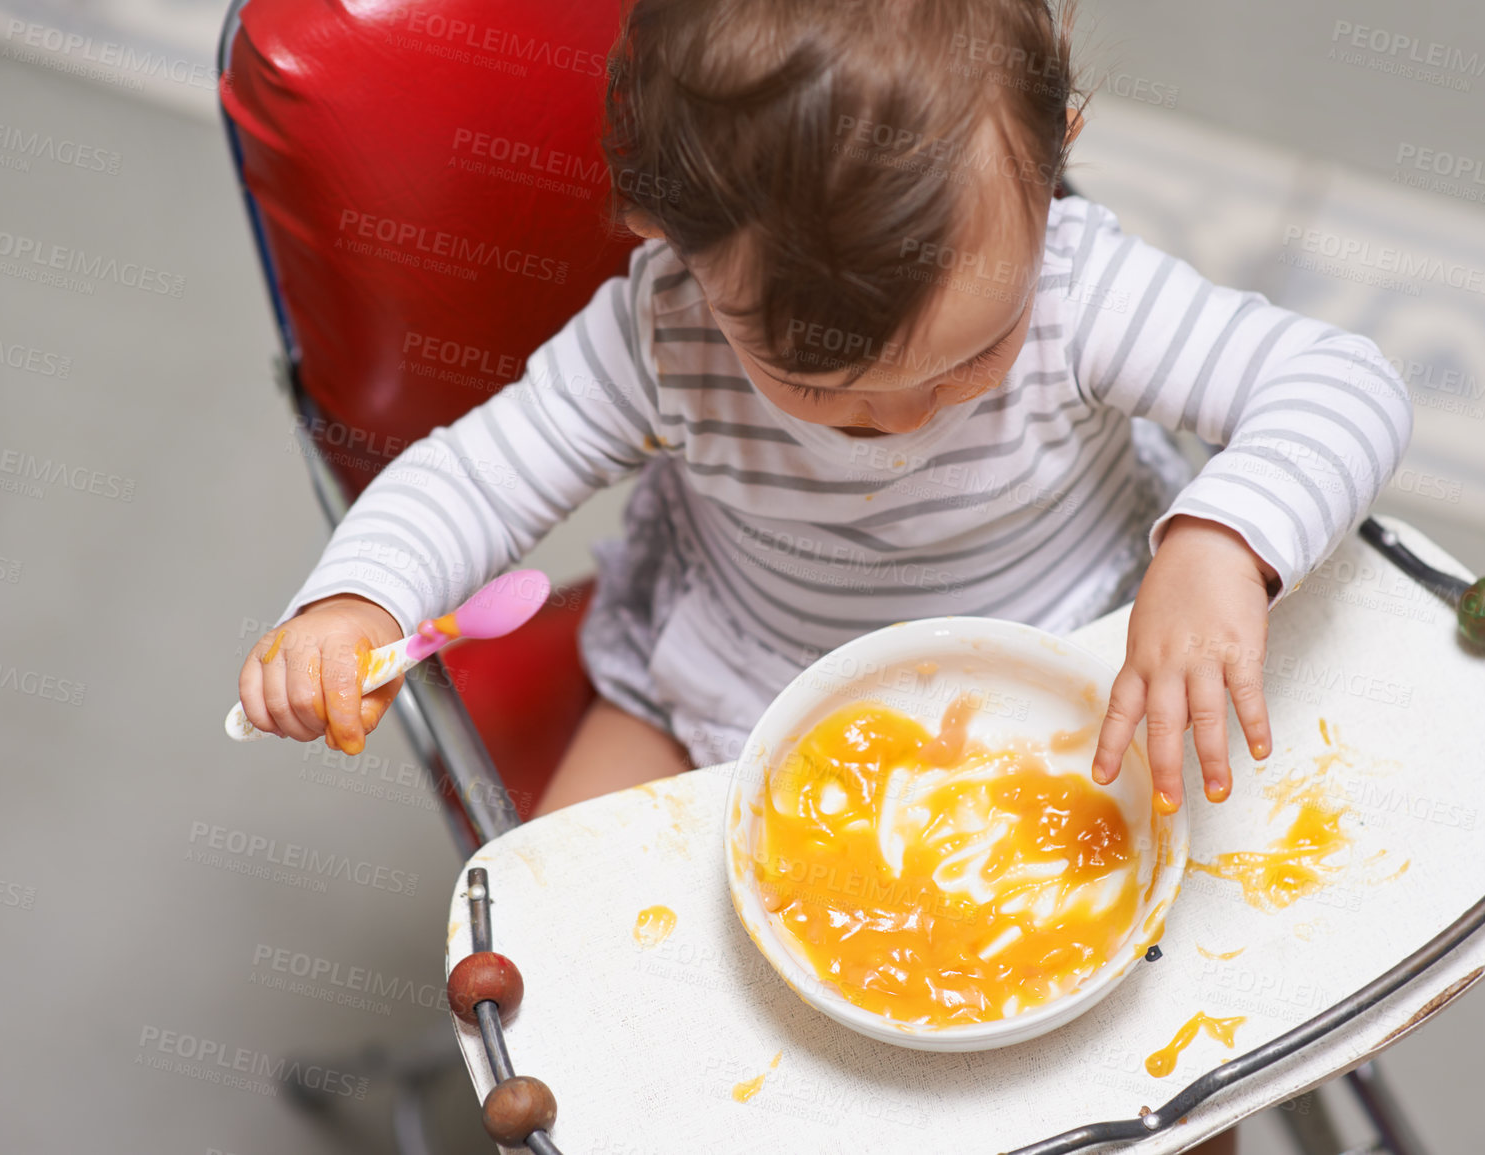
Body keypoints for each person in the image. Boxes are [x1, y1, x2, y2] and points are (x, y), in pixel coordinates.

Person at [239, 0, 1409, 856]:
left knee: (1190, 1043)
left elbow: (1342, 387)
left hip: (1080, 670)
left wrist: (1220, 545)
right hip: (741, 689)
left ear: (1056, 157)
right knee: (570, 948)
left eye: (970, 361)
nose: (900, 417)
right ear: (664, 235)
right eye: (821, 384)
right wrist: (363, 599)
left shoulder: (1077, 290)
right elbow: (475, 481)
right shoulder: (665, 333)